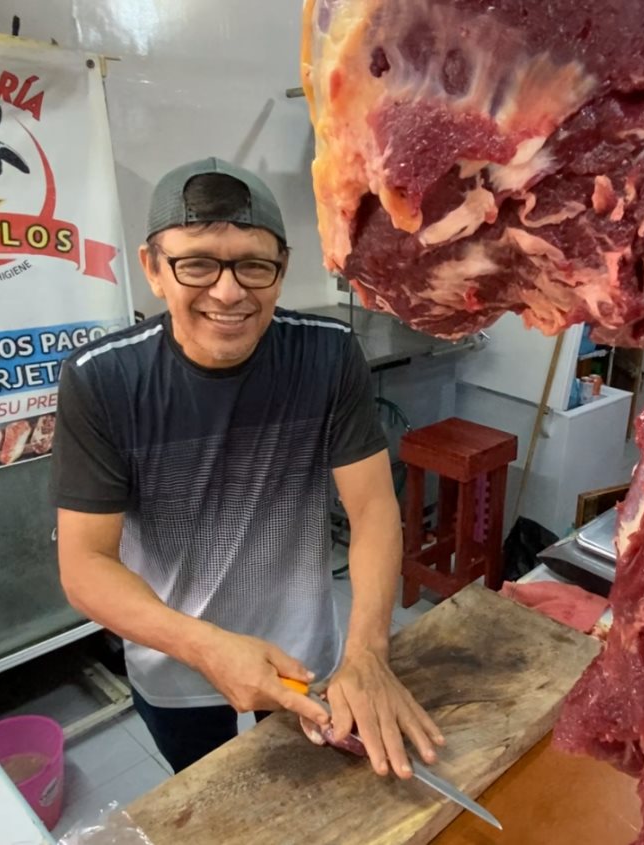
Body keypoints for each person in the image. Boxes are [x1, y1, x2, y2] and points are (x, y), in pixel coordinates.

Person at [51, 157, 442, 776]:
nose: (229, 292)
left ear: (281, 272)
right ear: (153, 269)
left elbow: (371, 510)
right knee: (209, 797)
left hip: (304, 656)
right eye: (197, 262)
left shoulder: (327, 355)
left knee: (311, 798)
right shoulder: (102, 380)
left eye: (253, 265)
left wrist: (368, 651)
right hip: (174, 661)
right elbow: (84, 564)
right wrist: (205, 647)